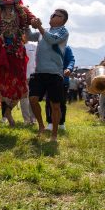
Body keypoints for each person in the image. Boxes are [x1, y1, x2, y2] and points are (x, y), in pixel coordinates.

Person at [27, 9, 69, 141]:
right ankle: (41, 126)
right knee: (33, 99)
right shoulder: (43, 30)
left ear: (63, 19)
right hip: (39, 72)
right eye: (52, 14)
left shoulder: (63, 31)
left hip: (55, 73)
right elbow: (28, 36)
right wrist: (26, 22)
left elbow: (52, 40)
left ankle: (54, 134)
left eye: (56, 15)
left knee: (55, 105)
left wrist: (38, 26)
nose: (52, 16)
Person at [46, 45, 75, 130]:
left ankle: (61, 123)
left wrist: (69, 68)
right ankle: (50, 123)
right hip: (49, 78)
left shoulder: (67, 48)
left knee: (62, 103)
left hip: (63, 79)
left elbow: (71, 60)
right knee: (49, 102)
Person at [20, 34, 37, 125]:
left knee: (33, 98)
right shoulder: (17, 47)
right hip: (22, 76)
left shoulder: (34, 46)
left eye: (25, 33)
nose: (23, 35)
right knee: (24, 98)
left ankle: (33, 119)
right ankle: (26, 119)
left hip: (33, 75)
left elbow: (37, 60)